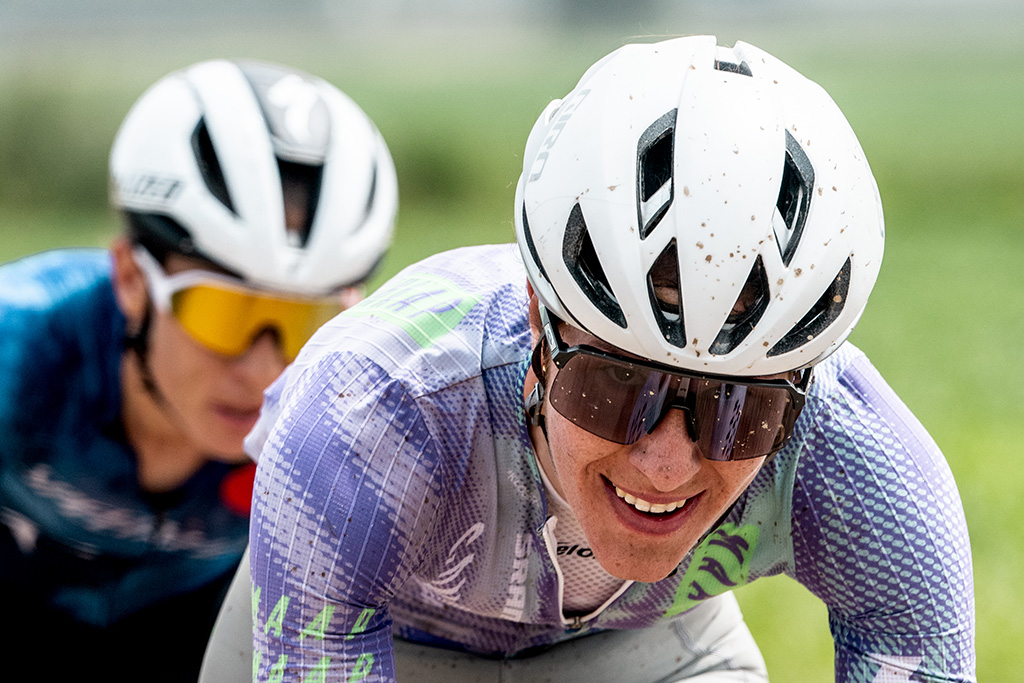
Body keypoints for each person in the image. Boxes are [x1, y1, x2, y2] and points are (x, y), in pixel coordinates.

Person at [213, 35, 974, 682]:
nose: (667, 464)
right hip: (380, 626)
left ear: (803, 390)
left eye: (740, 412)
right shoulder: (372, 416)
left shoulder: (862, 462)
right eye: (615, 387)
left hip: (640, 648)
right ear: (540, 324)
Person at [0, 59, 397, 681]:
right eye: (225, 312)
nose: (267, 369)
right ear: (132, 278)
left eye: (309, 321)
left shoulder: (356, 413)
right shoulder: (17, 349)